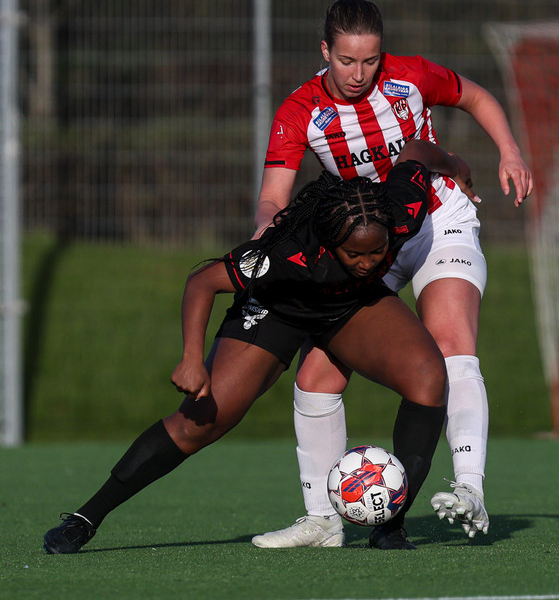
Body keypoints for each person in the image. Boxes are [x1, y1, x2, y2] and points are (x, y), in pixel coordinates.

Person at [42, 139, 477, 553]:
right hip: (277, 309)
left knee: (428, 378)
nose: (368, 262)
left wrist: (454, 165)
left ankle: (390, 526)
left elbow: (416, 151)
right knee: (200, 423)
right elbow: (202, 283)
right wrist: (191, 359)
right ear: (331, 243)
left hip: (349, 304)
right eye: (355, 255)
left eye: (377, 252)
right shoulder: (285, 253)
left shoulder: (400, 210)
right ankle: (86, 517)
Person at [250, 0, 534, 549]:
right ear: (324, 51)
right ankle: (323, 521)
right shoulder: (299, 111)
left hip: (437, 220)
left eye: (370, 59)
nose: (359, 73)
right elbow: (272, 198)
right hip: (368, 245)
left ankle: (470, 488)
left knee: (451, 343)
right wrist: (264, 236)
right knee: (316, 377)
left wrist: (510, 151)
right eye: (346, 60)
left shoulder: (410, 76)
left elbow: (476, 97)